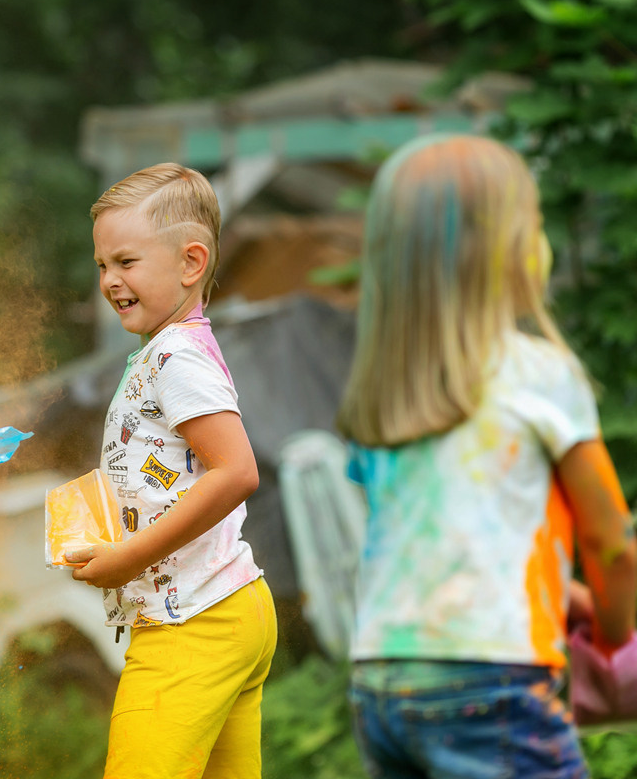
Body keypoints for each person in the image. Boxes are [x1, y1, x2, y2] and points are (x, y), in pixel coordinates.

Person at [336, 133, 637, 777]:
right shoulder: (539, 374)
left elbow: (442, 546)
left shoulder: (382, 395)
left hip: (380, 681)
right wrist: (614, 645)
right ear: (504, 250)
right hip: (490, 685)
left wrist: (567, 594)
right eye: (532, 222)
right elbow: (614, 545)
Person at [66, 163, 276, 779]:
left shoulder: (176, 356)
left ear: (190, 263)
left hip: (192, 622)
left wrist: (130, 558)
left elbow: (236, 471)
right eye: (103, 265)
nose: (109, 281)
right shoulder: (167, 348)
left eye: (126, 263)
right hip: (226, 608)